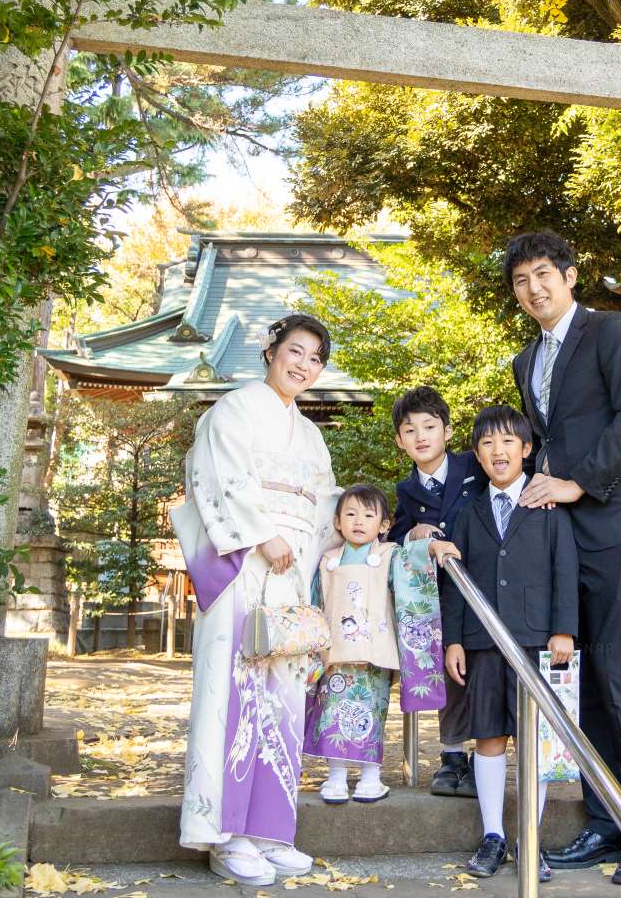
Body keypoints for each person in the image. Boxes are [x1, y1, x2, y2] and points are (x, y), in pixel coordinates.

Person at [506, 231, 621, 887]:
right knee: (583, 682)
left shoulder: (609, 331)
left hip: (618, 521)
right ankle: (607, 821)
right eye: (521, 281)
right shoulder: (525, 360)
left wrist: (578, 483)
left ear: (570, 275)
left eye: (543, 274)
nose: (534, 289)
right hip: (564, 534)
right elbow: (541, 443)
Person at [177, 314, 340, 886]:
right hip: (243, 563)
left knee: (283, 693)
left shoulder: (311, 434)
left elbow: (323, 503)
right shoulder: (235, 408)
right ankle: (225, 834)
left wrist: (337, 540)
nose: (304, 365)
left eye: (315, 359)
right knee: (235, 690)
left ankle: (270, 829)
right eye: (296, 351)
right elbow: (218, 478)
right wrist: (261, 534)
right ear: (271, 351)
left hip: (290, 571)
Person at [442, 405, 579, 883]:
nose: (497, 451)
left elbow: (564, 571)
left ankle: (529, 839)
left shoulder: (548, 509)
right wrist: (454, 640)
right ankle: (493, 835)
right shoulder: (468, 512)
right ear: (477, 455)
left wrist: (563, 629)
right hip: (482, 642)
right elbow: (455, 583)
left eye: (507, 442)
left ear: (526, 449)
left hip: (536, 641)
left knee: (534, 742)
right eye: (487, 443)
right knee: (489, 736)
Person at [304, 484, 455, 802]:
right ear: (337, 522)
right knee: (333, 715)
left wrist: (430, 546)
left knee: (371, 715)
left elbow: (413, 559)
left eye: (368, 515)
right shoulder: (328, 560)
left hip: (375, 654)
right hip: (336, 654)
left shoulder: (388, 555)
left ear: (384, 524)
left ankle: (370, 777)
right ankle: (336, 777)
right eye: (350, 514)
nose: (359, 521)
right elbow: (317, 603)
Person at [388, 386, 488, 797]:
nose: (421, 436)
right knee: (451, 672)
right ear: (400, 440)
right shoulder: (406, 490)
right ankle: (452, 755)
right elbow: (394, 538)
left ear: (447, 431)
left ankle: (488, 755)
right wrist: (414, 533)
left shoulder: (475, 465)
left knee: (486, 671)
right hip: (443, 596)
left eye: (429, 427)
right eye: (410, 430)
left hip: (488, 582)